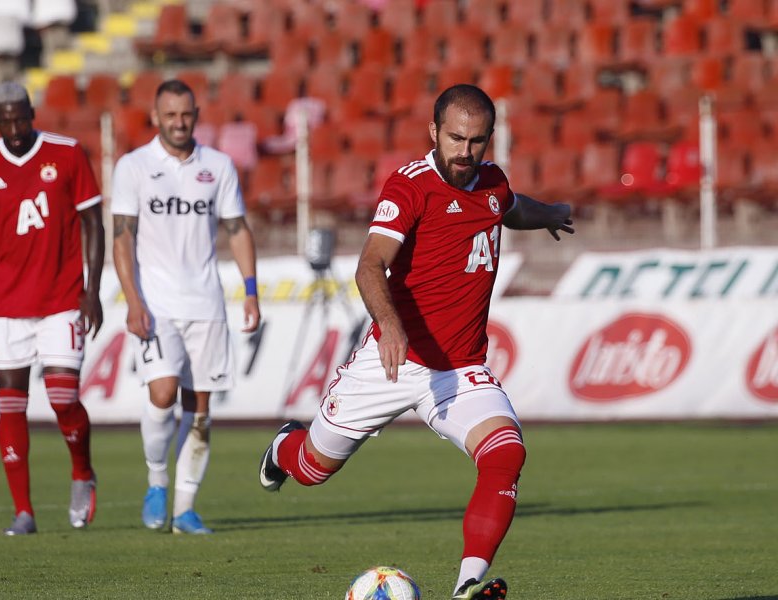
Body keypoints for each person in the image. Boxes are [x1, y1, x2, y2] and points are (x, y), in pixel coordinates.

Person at [258, 84, 574, 599]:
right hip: (392, 362)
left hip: (459, 370)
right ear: (433, 132)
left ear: (489, 139)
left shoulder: (491, 182)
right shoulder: (410, 187)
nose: (465, 152)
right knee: (313, 469)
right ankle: (282, 448)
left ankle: (467, 586)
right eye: (455, 138)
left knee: (506, 453)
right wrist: (394, 326)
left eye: (476, 141)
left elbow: (511, 208)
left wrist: (551, 214)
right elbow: (369, 266)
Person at [111, 79, 261, 535]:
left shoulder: (217, 166)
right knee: (161, 394)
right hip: (155, 304)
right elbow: (122, 236)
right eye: (170, 114)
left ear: (196, 115)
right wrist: (133, 300)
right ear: (155, 118)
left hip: (207, 304)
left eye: (186, 114)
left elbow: (236, 229)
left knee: (199, 411)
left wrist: (250, 290)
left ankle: (185, 509)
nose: (179, 122)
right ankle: (157, 481)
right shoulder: (133, 167)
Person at [0, 82, 105, 535]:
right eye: (6, 120)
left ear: (32, 112)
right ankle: (23, 511)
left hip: (63, 299)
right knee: (10, 406)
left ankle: (82, 471)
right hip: (6, 308)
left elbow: (93, 223)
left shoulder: (66, 154)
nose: (16, 128)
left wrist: (93, 288)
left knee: (63, 398)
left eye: (22, 117)